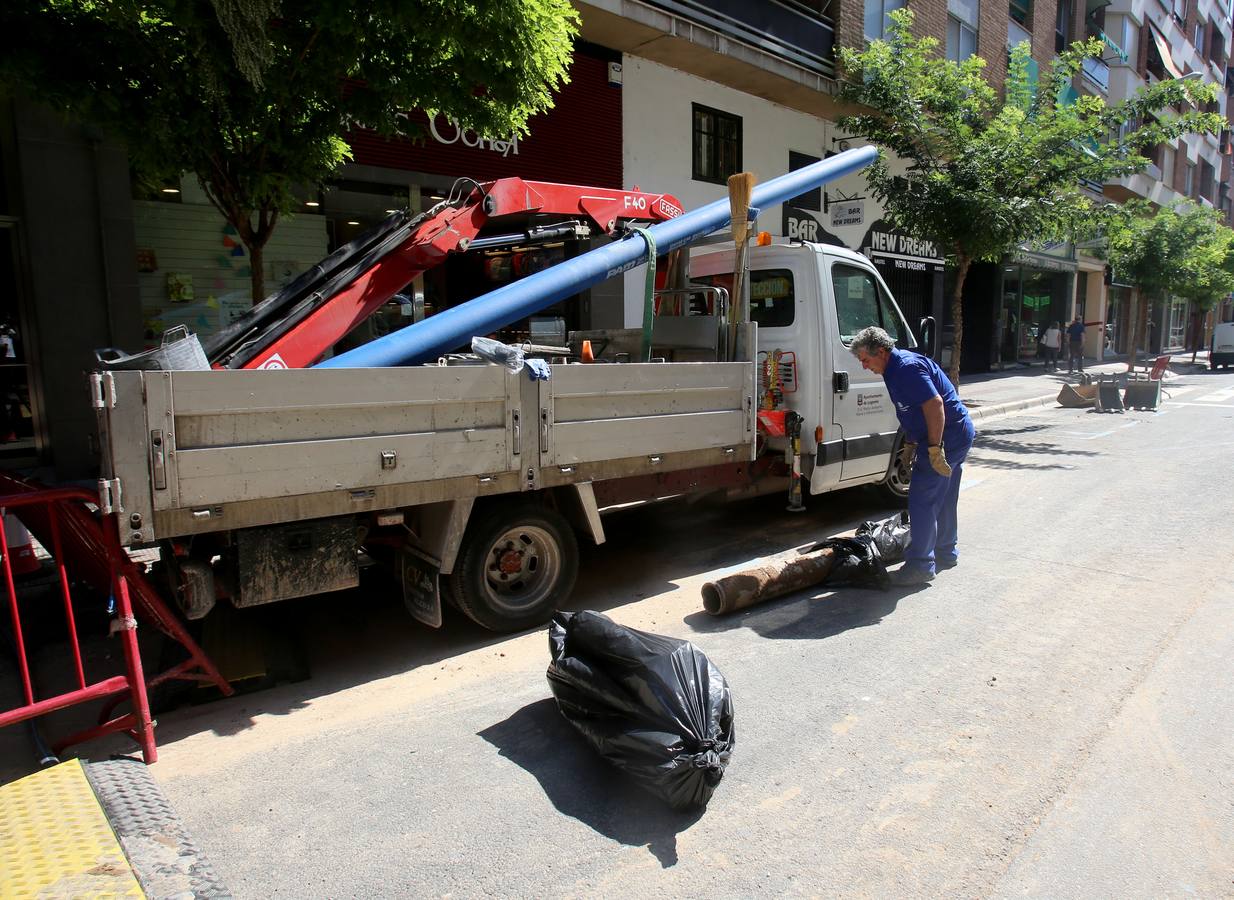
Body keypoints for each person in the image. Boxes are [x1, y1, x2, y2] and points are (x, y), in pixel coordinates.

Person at [851, 326, 976, 586]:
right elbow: (909, 411)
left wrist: (933, 448)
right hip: (953, 433)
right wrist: (909, 444)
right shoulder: (891, 369)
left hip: (948, 436)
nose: (864, 366)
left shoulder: (906, 368)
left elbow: (934, 405)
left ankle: (921, 565)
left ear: (882, 352)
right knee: (944, 493)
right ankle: (945, 551)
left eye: (865, 360)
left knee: (922, 498)